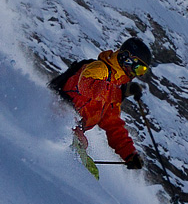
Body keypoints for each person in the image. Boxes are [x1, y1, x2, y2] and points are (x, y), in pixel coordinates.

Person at [56, 36, 152, 169]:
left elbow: (113, 125)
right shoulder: (100, 69)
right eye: (138, 68)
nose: (138, 74)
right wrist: (114, 91)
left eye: (142, 71)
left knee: (86, 153)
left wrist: (129, 155)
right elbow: (84, 85)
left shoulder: (115, 87)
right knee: (82, 146)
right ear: (126, 58)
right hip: (59, 114)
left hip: (75, 128)